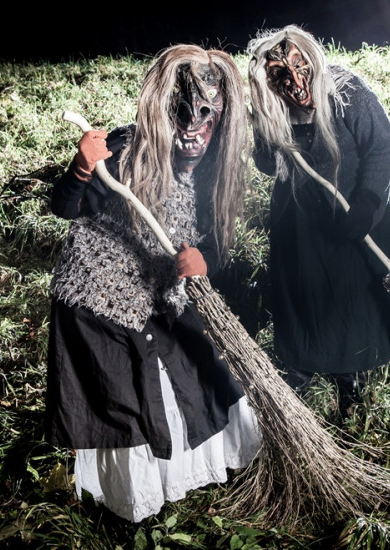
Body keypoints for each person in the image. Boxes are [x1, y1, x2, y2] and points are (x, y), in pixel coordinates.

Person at [45, 44, 260, 523]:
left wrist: (204, 261)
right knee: (126, 399)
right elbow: (65, 207)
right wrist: (83, 167)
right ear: (166, 111)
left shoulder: (216, 171)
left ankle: (202, 467)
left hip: (161, 290)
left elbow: (216, 244)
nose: (192, 130)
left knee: (197, 369)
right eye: (183, 113)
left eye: (206, 117)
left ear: (220, 120)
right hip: (99, 296)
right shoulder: (128, 149)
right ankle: (134, 502)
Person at [246, 25, 390, 413]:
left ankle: (350, 370)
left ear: (313, 59)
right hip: (300, 223)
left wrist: (367, 202)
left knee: (351, 290)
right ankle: (302, 362)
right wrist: (268, 128)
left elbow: (383, 150)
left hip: (354, 215)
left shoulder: (348, 92)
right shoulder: (273, 107)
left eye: (300, 66)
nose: (296, 82)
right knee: (304, 290)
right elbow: (266, 165)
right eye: (280, 75)